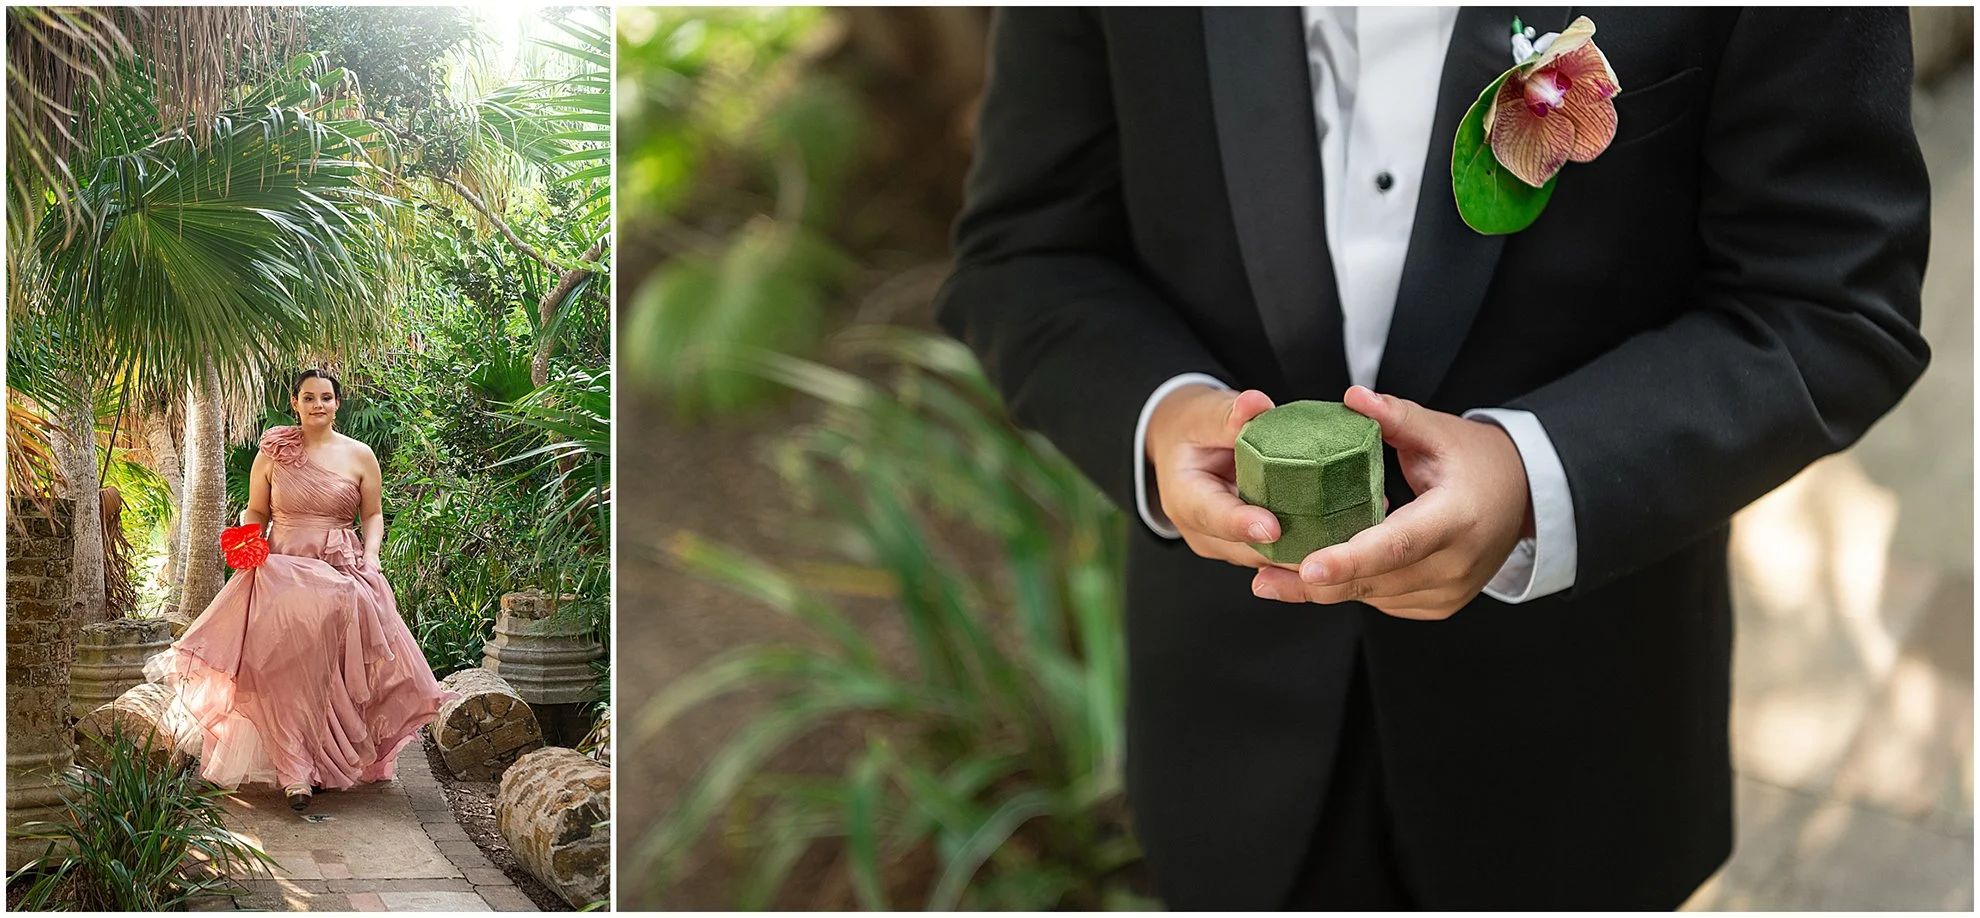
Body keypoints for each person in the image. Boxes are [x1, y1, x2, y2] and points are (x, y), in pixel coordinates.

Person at [935, 7, 1930, 910]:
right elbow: (1027, 256)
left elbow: (1831, 303)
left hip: (1579, 753)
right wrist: (1161, 419)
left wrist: (1535, 475)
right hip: (1231, 749)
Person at [148, 369, 453, 812]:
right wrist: (249, 545)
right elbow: (255, 509)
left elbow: (373, 515)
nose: (317, 405)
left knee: (333, 671)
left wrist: (372, 556)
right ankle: (294, 773)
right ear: (295, 403)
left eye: (326, 398)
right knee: (278, 670)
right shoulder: (275, 453)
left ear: (337, 404)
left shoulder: (360, 455)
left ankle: (323, 764)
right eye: (308, 398)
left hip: (338, 566)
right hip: (279, 569)